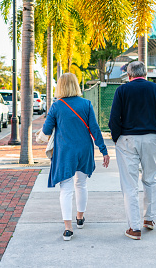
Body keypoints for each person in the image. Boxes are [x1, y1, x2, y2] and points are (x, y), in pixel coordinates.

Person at [109, 61, 156, 240]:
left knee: (130, 184)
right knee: (150, 179)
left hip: (127, 139)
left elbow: (114, 119)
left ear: (129, 75)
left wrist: (116, 137)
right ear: (146, 74)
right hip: (151, 139)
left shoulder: (122, 91)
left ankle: (134, 228)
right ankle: (149, 219)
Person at [42, 73, 110, 241]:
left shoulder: (56, 106)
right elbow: (95, 129)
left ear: (60, 87)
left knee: (66, 189)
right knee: (81, 184)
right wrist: (104, 150)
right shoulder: (86, 104)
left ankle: (68, 228)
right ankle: (80, 218)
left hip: (65, 152)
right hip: (84, 150)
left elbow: (46, 131)